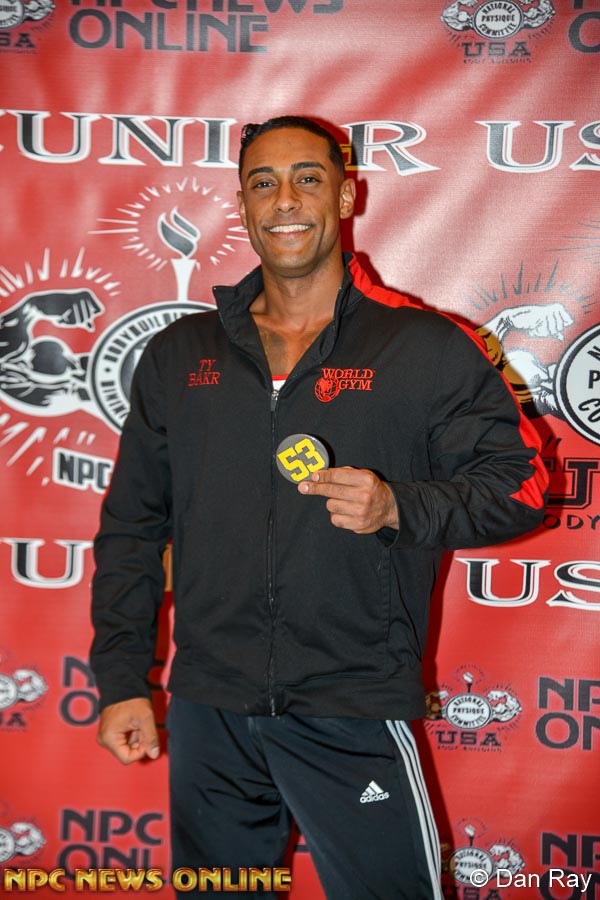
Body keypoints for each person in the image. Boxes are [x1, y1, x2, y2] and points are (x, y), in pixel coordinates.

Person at [91, 116, 548, 899]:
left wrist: (400, 506)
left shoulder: (424, 347)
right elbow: (132, 527)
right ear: (242, 204)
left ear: (345, 195)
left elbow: (524, 487)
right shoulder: (181, 354)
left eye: (308, 178)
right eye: (262, 183)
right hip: (209, 707)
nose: (285, 200)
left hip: (353, 704)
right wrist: (121, 678)